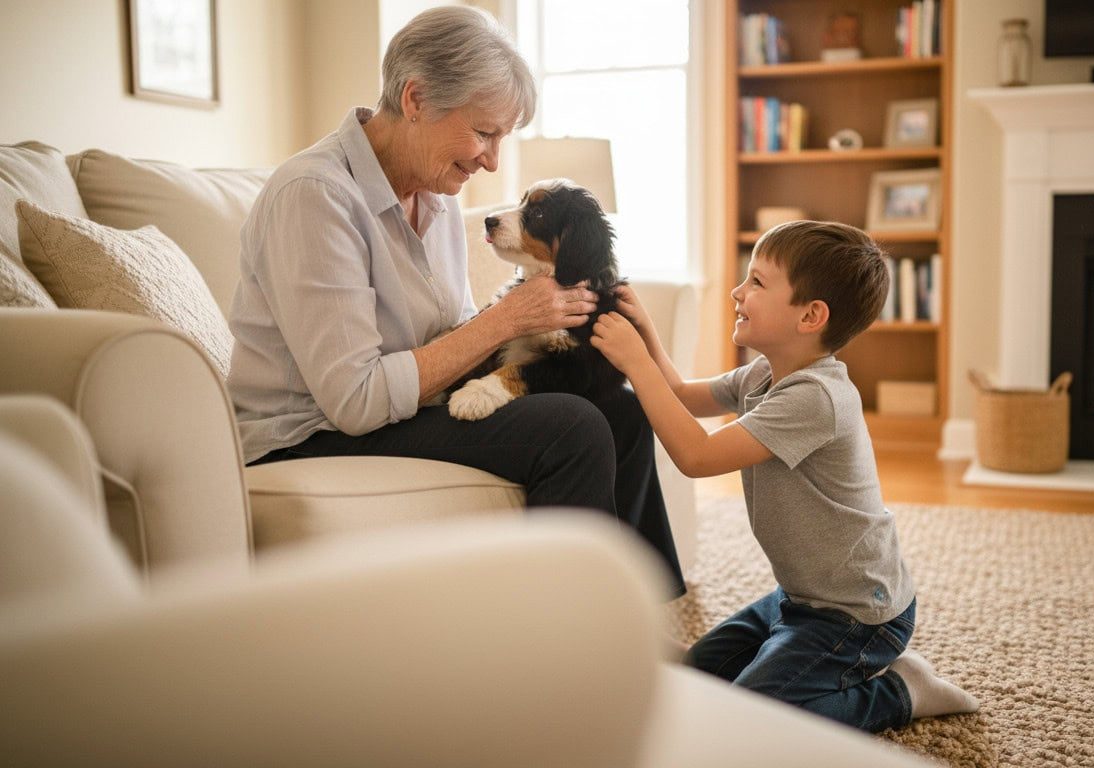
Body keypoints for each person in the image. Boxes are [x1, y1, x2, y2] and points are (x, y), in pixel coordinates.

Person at [226, 6, 682, 594]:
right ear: (416, 99)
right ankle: (561, 641)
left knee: (620, 408)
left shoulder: (434, 197)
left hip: (402, 410)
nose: (491, 160)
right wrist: (506, 319)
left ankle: (638, 614)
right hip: (307, 436)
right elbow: (355, 400)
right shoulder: (315, 196)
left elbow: (457, 334)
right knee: (571, 426)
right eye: (484, 132)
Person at [590, 220, 977, 732]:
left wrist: (635, 363)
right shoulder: (765, 372)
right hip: (797, 599)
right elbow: (683, 396)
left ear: (811, 316)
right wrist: (647, 335)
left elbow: (697, 456)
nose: (737, 291)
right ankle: (771, 657)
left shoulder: (816, 398)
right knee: (696, 678)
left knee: (752, 717)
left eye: (756, 282)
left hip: (858, 614)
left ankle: (901, 689)